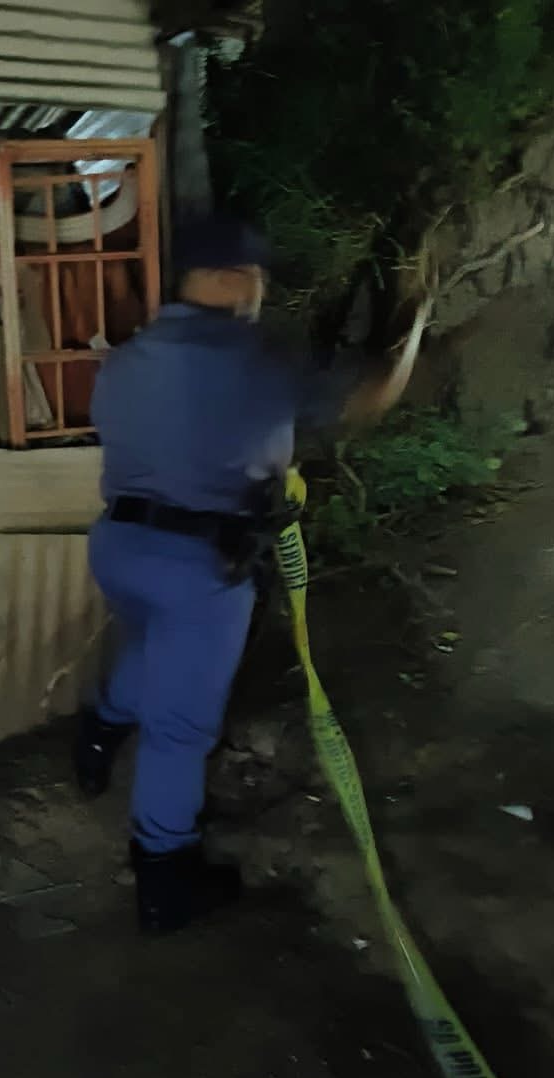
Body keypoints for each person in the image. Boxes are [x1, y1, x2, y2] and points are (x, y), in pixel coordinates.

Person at [78, 215, 430, 934]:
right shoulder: (258, 360)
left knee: (149, 644)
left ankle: (99, 733)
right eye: (256, 278)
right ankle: (163, 876)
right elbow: (368, 396)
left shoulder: (129, 357)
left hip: (119, 546)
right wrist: (414, 326)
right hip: (199, 565)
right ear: (233, 279)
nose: (260, 292)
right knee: (180, 730)